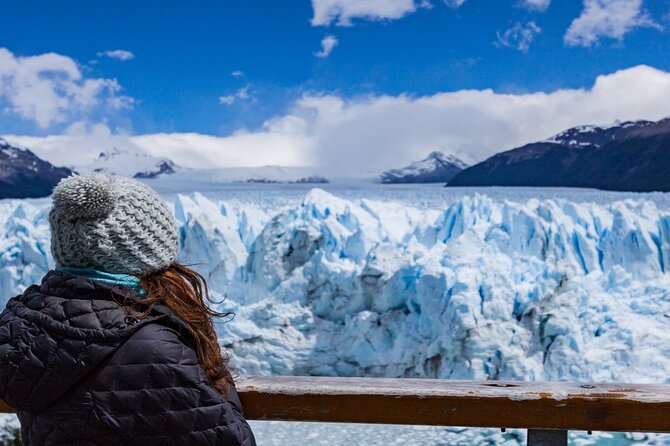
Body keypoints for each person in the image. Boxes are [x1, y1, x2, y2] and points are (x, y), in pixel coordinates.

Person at [0, 174, 256, 445]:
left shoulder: (25, 327)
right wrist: (212, 369)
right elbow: (233, 439)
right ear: (147, 252)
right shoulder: (148, 347)